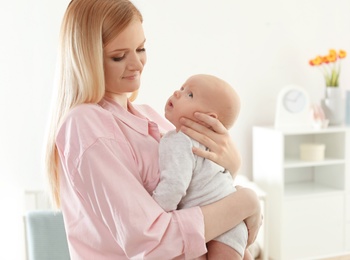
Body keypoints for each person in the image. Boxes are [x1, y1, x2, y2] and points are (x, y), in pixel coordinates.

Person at [44, 0, 261, 259]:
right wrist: (245, 201)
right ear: (86, 58)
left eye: (141, 48)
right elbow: (150, 241)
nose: (137, 64)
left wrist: (232, 166)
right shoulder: (85, 124)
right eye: (118, 56)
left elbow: (199, 188)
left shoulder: (151, 117)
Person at [153, 74, 253, 260]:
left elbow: (174, 185)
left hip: (219, 223)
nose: (177, 92)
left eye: (189, 95)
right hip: (230, 220)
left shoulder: (178, 140)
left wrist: (156, 209)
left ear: (208, 119)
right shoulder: (209, 145)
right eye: (182, 88)